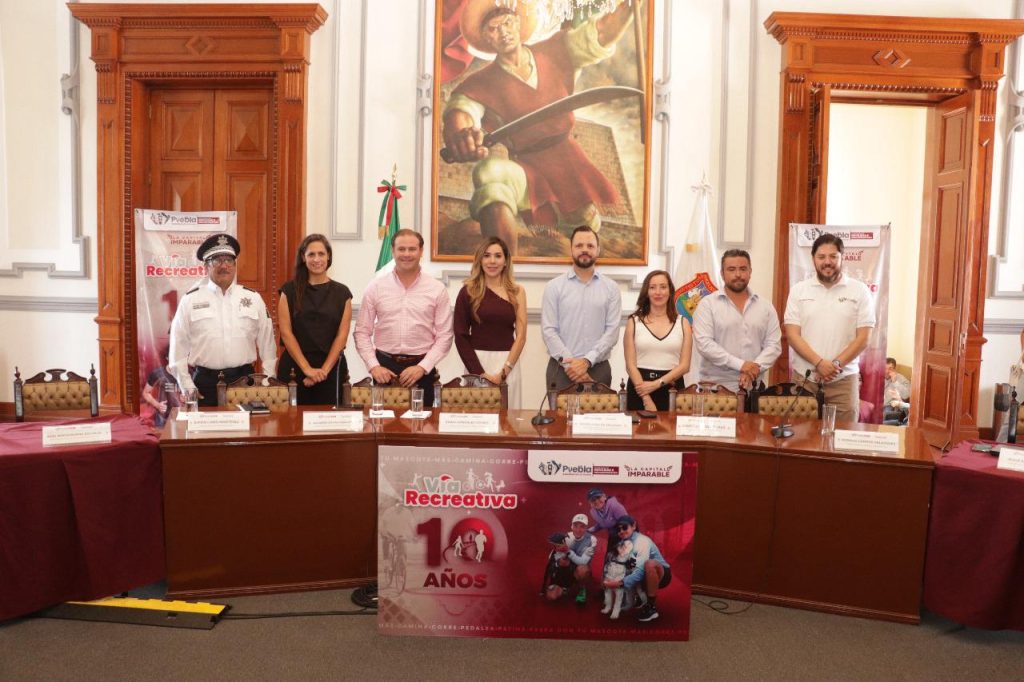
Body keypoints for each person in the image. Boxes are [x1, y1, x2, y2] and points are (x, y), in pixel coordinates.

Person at [441, 0, 640, 252]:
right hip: (525, 169)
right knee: (491, 173)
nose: (502, 32)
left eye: (507, 23)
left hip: (569, 163)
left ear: (518, 23)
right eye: (493, 29)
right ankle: (503, 272)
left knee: (585, 227)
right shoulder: (480, 83)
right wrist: (462, 135)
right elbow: (461, 112)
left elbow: (599, 34)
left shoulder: (558, 49)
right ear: (485, 38)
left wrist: (632, 6)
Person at [168, 233, 276, 406]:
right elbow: (177, 349)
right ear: (205, 266)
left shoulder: (253, 298)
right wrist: (187, 386)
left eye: (229, 260)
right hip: (204, 384)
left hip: (245, 383)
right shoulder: (190, 300)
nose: (224, 265)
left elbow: (267, 345)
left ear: (234, 265)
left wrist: (266, 381)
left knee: (247, 432)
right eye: (216, 260)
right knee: (205, 433)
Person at [354, 229, 454, 408]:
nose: (406, 254)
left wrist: (423, 367)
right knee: (383, 429)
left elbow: (445, 336)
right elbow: (361, 332)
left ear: (421, 251)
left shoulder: (437, 289)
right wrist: (374, 366)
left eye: (412, 249)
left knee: (422, 429)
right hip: (384, 369)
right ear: (393, 251)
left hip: (422, 370)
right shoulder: (375, 287)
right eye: (401, 249)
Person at [784, 234, 875, 422]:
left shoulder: (859, 291)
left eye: (833, 256)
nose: (827, 262)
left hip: (843, 381)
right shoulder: (799, 290)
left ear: (842, 257)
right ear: (813, 259)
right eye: (821, 257)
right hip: (805, 380)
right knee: (801, 438)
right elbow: (792, 335)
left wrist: (835, 366)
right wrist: (819, 363)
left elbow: (864, 338)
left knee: (843, 440)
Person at [541, 226, 622, 390]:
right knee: (559, 417)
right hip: (561, 370)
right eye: (579, 246)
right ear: (571, 249)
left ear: (598, 250)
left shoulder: (611, 288)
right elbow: (549, 331)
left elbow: (612, 332)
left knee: (597, 417)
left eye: (590, 246)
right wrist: (571, 365)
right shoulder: (554, 287)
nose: (585, 250)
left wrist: (586, 361)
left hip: (598, 370)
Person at [277, 234, 353, 405]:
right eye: (311, 254)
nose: (316, 259)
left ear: (329, 257)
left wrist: (322, 372)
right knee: (291, 426)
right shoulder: (288, 291)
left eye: (321, 254)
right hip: (295, 369)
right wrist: (307, 369)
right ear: (303, 257)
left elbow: (342, 336)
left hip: (332, 368)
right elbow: (286, 333)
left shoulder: (342, 293)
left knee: (330, 427)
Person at [692, 249, 782, 392]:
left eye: (743, 269)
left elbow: (774, 345)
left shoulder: (765, 306)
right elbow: (705, 344)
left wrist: (754, 368)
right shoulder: (707, 305)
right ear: (722, 273)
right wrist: (741, 365)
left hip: (754, 388)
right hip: (715, 391)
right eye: (731, 269)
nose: (738, 274)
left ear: (750, 271)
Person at [453, 237, 527, 408]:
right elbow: (460, 336)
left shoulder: (517, 292)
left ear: (506, 261)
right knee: (477, 422)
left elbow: (521, 336)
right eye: (487, 255)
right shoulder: (467, 291)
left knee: (508, 423)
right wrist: (479, 373)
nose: (492, 261)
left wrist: (504, 371)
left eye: (498, 256)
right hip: (476, 364)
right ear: (480, 260)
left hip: (508, 364)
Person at [623, 270, 692, 411]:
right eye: (652, 287)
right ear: (646, 292)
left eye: (663, 287)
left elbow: (685, 366)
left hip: (672, 389)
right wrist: (646, 397)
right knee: (639, 432)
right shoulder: (634, 321)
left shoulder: (683, 322)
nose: (658, 292)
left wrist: (656, 384)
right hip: (640, 389)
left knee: (672, 433)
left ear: (670, 291)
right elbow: (630, 365)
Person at [603, 515, 671, 623]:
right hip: (642, 575)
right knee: (626, 567)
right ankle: (637, 598)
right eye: (618, 529)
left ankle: (651, 607)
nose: (621, 531)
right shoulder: (621, 543)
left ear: (633, 526)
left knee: (649, 564)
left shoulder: (642, 541)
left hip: (661, 574)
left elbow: (640, 571)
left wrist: (619, 583)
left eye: (624, 527)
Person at [564, 513, 598, 604]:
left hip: (581, 567)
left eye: (582, 526)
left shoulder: (592, 539)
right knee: (552, 595)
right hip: (568, 566)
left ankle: (582, 588)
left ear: (586, 528)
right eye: (575, 526)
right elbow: (556, 555)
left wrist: (567, 551)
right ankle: (564, 584)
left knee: (582, 569)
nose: (578, 530)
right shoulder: (566, 536)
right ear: (571, 526)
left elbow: (583, 562)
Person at [882, 357, 911, 426]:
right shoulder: (877, 377)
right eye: (885, 368)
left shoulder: (901, 379)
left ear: (894, 369)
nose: (887, 371)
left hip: (890, 406)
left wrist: (895, 382)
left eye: (890, 368)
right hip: (877, 405)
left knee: (883, 417)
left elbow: (907, 395)